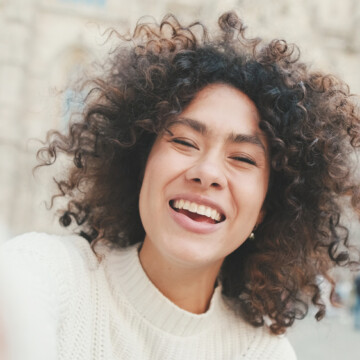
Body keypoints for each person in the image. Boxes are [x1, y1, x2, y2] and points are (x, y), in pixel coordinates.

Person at [1, 11, 360, 360]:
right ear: (142, 162)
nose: (207, 172)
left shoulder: (263, 354)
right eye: (185, 142)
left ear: (266, 207)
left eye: (244, 158)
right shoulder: (41, 276)